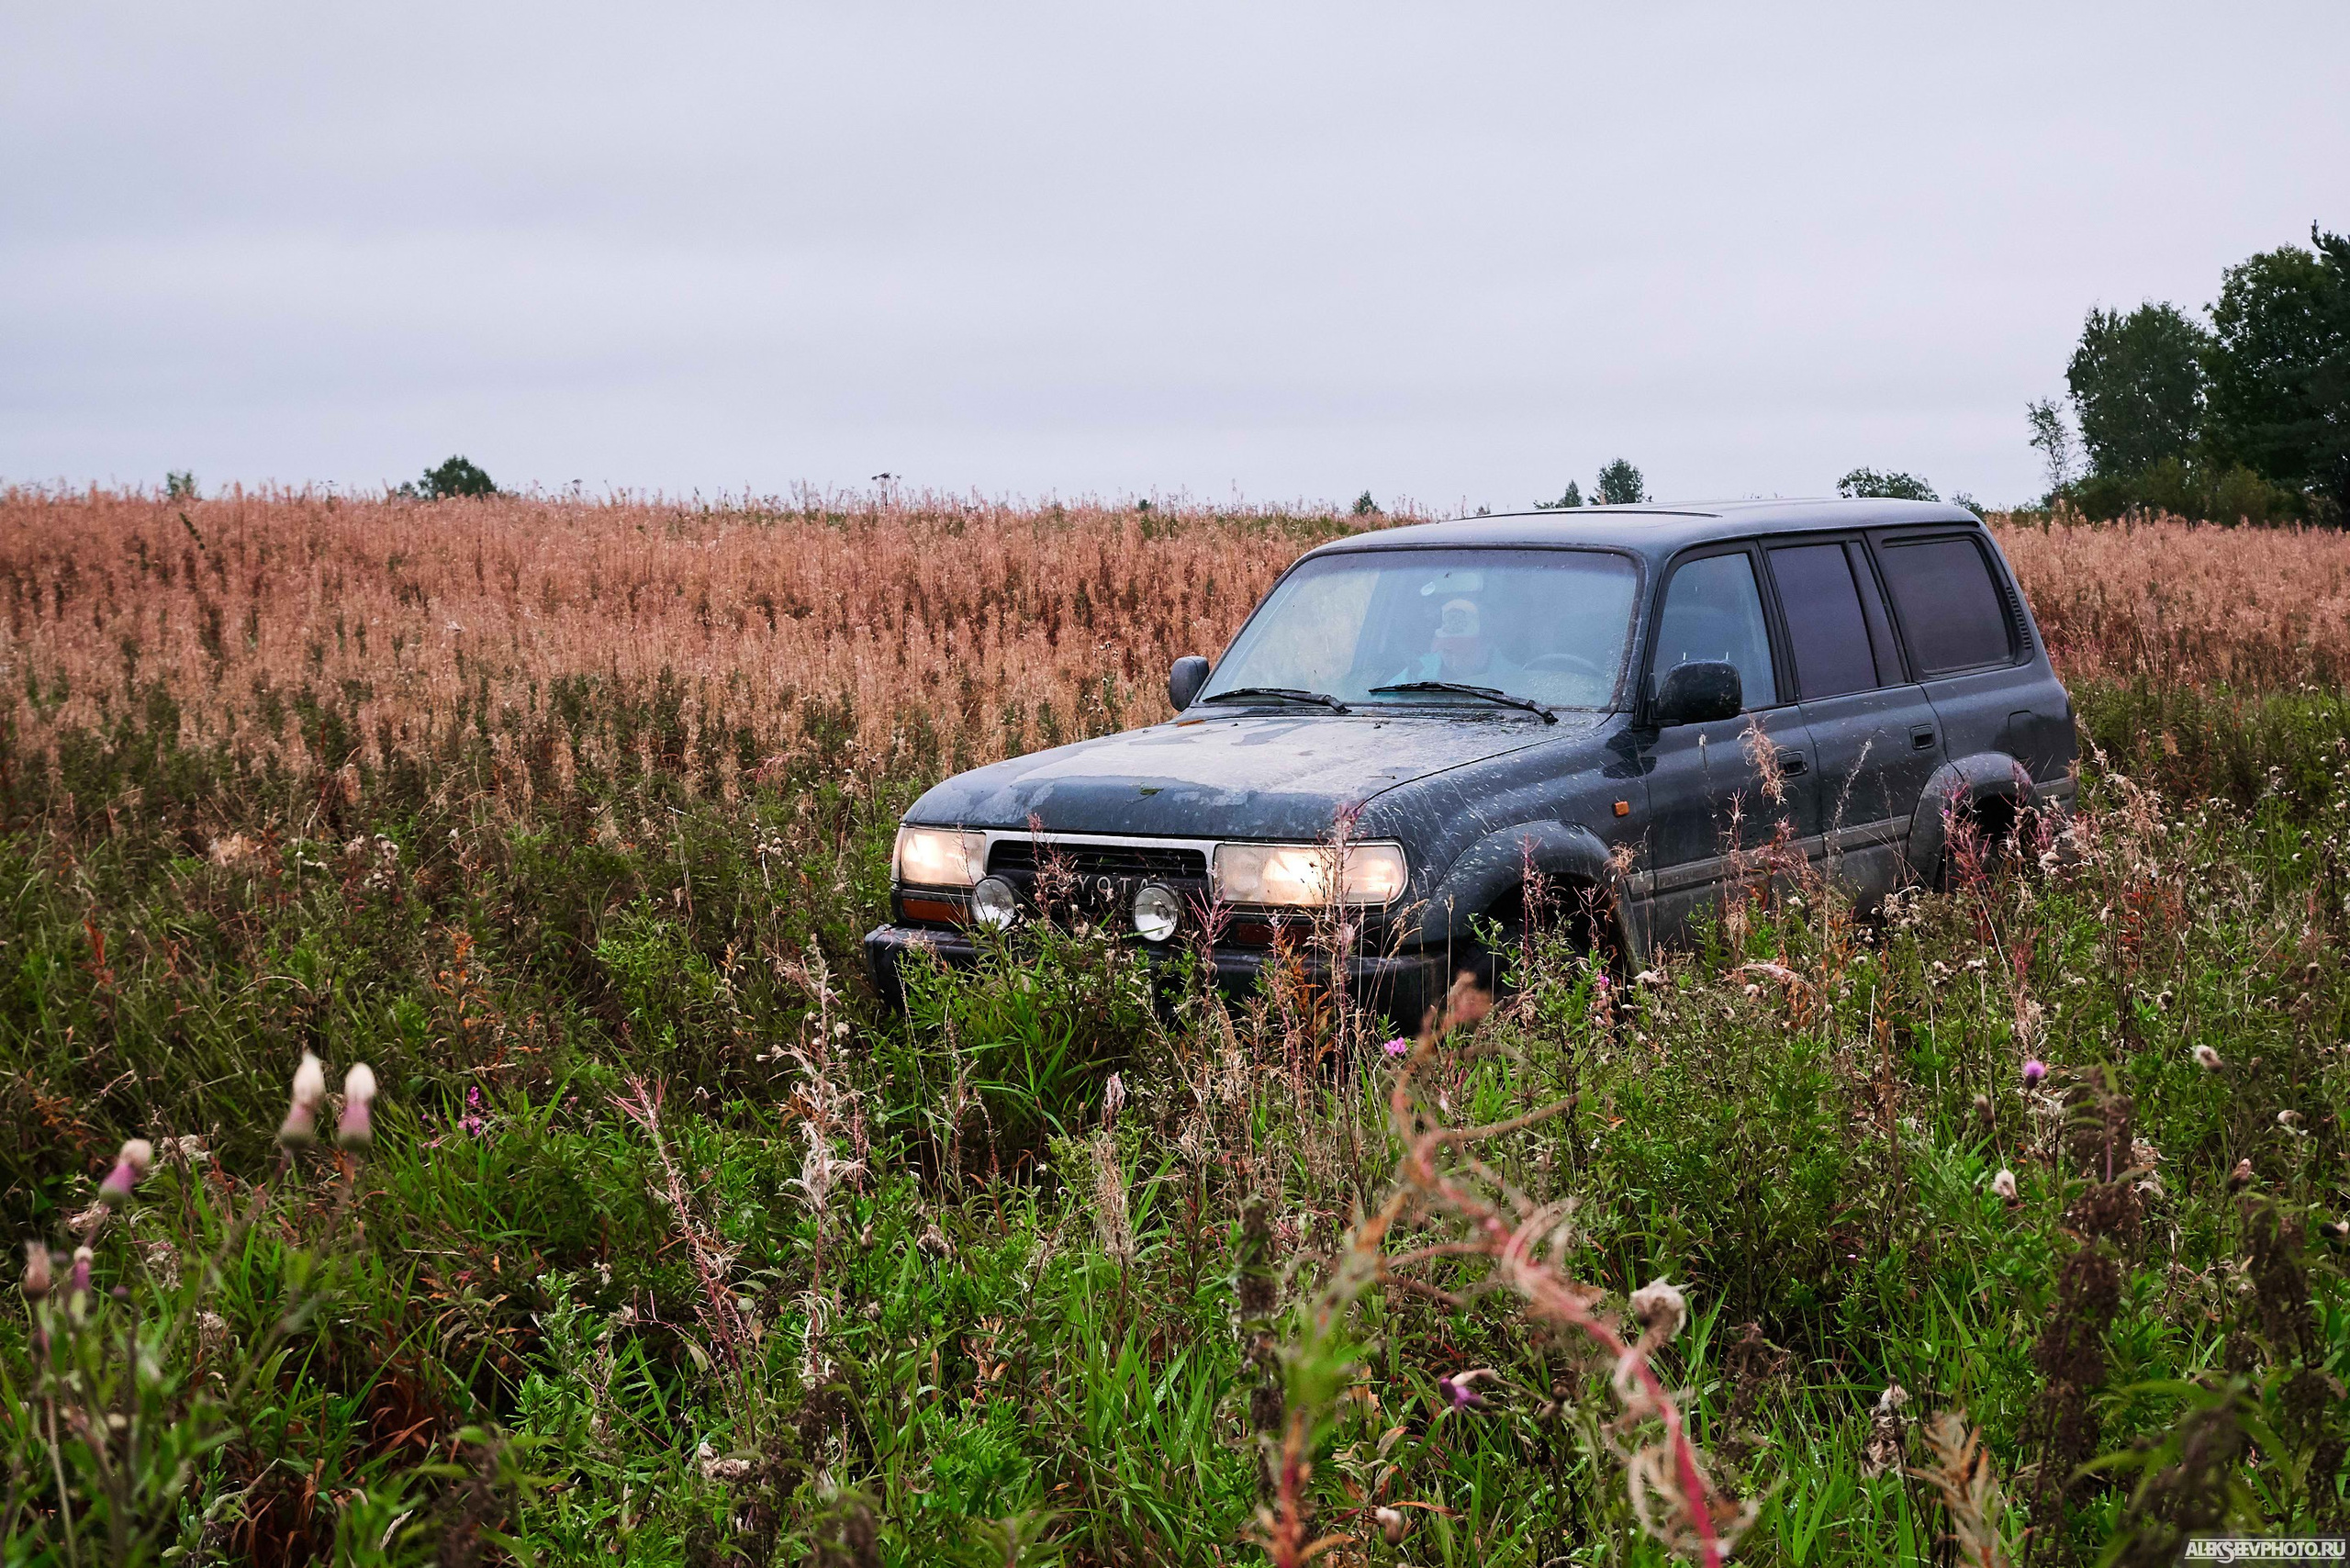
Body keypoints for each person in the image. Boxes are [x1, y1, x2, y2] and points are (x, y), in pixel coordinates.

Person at [1387, 598, 1526, 688]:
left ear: (1488, 643)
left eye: (1465, 653)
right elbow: (1382, 698)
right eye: (1447, 651)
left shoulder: (1516, 681)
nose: (1455, 662)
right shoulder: (1418, 671)